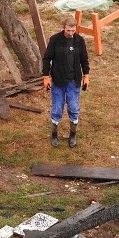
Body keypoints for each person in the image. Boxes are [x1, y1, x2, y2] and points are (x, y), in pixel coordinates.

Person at [42, 17, 90, 147]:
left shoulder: (79, 41)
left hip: (73, 81)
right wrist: (46, 76)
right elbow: (47, 58)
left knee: (74, 108)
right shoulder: (55, 40)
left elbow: (84, 59)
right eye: (68, 30)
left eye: (73, 30)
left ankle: (73, 135)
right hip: (58, 80)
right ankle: (54, 134)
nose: (70, 33)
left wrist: (86, 75)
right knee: (57, 108)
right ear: (63, 27)